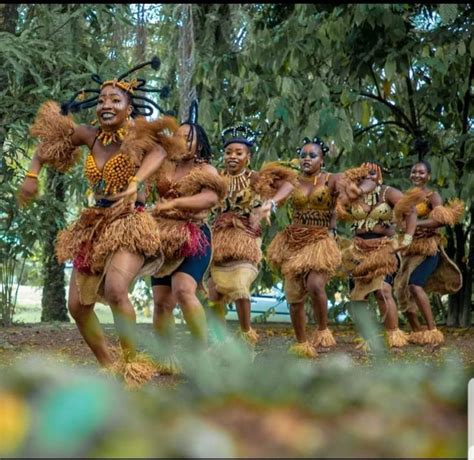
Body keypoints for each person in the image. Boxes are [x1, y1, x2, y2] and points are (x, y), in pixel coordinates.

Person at [17, 57, 184, 386]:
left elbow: (161, 152)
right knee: (77, 306)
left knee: (116, 289)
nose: (107, 105)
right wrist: (32, 174)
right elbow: (45, 146)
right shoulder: (89, 135)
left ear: (128, 106)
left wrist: (136, 181)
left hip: (129, 223)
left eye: (115, 100)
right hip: (94, 224)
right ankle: (108, 364)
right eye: (103, 99)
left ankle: (132, 364)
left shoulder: (139, 134)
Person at [267, 137, 376, 358]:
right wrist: (267, 203)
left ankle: (322, 330)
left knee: (315, 284)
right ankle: (301, 343)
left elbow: (360, 185)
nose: (306, 159)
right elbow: (271, 189)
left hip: (321, 241)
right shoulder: (293, 181)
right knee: (294, 295)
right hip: (295, 241)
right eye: (303, 155)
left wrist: (367, 185)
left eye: (312, 155)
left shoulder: (331, 180)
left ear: (322, 159)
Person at [150, 100, 227, 373]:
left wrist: (175, 204)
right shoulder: (163, 165)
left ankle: (201, 352)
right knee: (161, 302)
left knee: (183, 291)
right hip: (162, 238)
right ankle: (165, 358)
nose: (180, 140)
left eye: (186, 137)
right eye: (177, 136)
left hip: (194, 236)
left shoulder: (206, 171)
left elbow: (209, 198)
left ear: (199, 143)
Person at [206, 125, 296, 346]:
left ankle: (246, 333)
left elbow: (289, 184)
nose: (233, 157)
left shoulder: (256, 178)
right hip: (219, 241)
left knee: (239, 284)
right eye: (228, 152)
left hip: (246, 238)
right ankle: (218, 340)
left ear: (248, 156)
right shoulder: (217, 178)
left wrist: (271, 203)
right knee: (214, 293)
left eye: (238, 152)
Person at [339, 162, 417, 350]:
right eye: (364, 174)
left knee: (383, 291)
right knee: (358, 296)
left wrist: (407, 236)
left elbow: (411, 210)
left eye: (372, 174)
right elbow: (337, 205)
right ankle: (369, 338)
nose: (368, 177)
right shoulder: (353, 195)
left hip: (383, 248)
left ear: (380, 176)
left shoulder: (388, 193)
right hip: (358, 249)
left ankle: (393, 336)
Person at [393, 160, 463, 346]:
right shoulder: (405, 197)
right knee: (402, 289)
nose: (417, 175)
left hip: (428, 250)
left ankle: (432, 332)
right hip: (409, 250)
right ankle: (417, 332)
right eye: (414, 171)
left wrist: (416, 224)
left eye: (421, 172)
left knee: (415, 286)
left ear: (428, 176)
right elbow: (399, 221)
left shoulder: (433, 196)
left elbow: (440, 220)